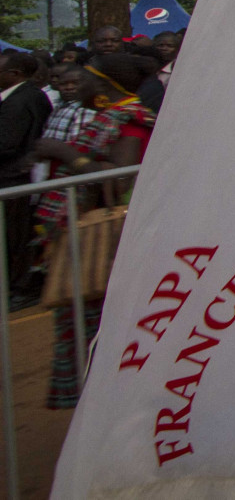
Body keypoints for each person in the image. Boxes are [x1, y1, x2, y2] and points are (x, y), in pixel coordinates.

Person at [31, 53, 156, 408]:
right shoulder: (109, 116)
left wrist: (66, 154)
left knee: (104, 328)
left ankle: (107, 410)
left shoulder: (130, 120)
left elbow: (116, 179)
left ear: (103, 84)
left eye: (83, 77)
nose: (72, 83)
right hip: (94, 236)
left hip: (107, 241)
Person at [0, 51, 52, 308]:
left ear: (14, 75)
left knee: (15, 236)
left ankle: (19, 288)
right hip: (17, 177)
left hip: (14, 178)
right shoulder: (25, 96)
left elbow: (6, 144)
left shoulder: (20, 101)